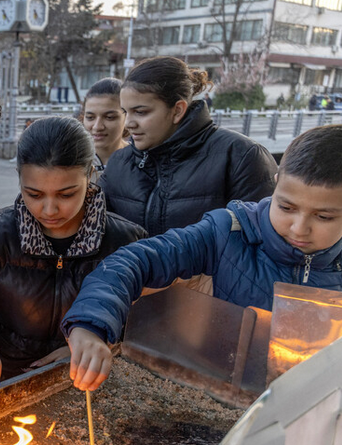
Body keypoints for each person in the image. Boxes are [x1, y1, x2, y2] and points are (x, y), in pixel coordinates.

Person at [61, 124, 342, 392]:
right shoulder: (228, 232)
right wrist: (90, 324)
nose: (299, 228)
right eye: (287, 207)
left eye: (324, 216)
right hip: (215, 394)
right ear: (277, 183)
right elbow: (133, 262)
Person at [0, 117, 146, 419]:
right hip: (7, 382)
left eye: (67, 194)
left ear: (90, 174)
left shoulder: (125, 240)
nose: (50, 210)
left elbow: (138, 323)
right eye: (34, 194)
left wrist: (92, 344)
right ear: (19, 179)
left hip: (84, 385)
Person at [99, 56, 277, 236]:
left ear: (177, 110)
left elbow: (260, 241)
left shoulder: (242, 157)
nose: (128, 124)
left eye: (140, 112)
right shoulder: (119, 162)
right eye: (125, 112)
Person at [81, 78, 129, 173]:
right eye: (90, 117)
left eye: (109, 117)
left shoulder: (143, 160)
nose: (97, 127)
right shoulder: (70, 161)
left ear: (127, 117)